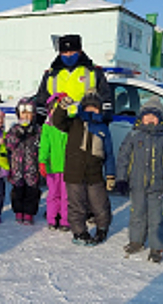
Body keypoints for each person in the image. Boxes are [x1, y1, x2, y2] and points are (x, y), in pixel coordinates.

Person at [115, 96, 163, 262]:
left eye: (155, 116)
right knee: (137, 214)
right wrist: (121, 179)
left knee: (157, 218)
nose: (150, 119)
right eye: (147, 115)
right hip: (136, 185)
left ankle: (157, 247)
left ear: (160, 118)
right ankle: (136, 241)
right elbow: (124, 158)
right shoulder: (133, 136)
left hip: (158, 187)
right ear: (141, 117)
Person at [52, 91, 115, 246]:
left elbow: (109, 154)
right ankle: (79, 232)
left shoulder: (103, 128)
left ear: (100, 110)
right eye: (88, 108)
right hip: (74, 173)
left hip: (95, 174)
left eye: (95, 108)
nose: (91, 111)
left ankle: (102, 228)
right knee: (76, 205)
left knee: (100, 204)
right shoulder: (74, 123)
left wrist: (111, 175)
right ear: (82, 108)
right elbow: (57, 121)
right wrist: (62, 107)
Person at [35, 35, 113, 124]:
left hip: (85, 123)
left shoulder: (93, 71)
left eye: (72, 52)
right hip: (57, 124)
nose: (68, 55)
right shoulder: (51, 74)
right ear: (60, 54)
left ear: (79, 52)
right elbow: (42, 100)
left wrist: (105, 118)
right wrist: (39, 122)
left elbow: (105, 97)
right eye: (65, 52)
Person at [5, 98, 41, 225]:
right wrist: (17, 135)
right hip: (17, 167)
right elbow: (8, 145)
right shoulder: (14, 129)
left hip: (32, 166)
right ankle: (18, 211)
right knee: (18, 191)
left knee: (32, 191)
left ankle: (29, 213)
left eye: (28, 113)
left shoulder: (37, 130)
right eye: (23, 113)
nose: (25, 116)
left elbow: (42, 145)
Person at [39, 94, 70, 231]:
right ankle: (52, 218)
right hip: (52, 167)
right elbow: (44, 146)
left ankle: (65, 220)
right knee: (53, 195)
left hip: (67, 167)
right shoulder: (47, 127)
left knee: (66, 196)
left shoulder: (68, 127)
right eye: (53, 110)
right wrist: (42, 161)